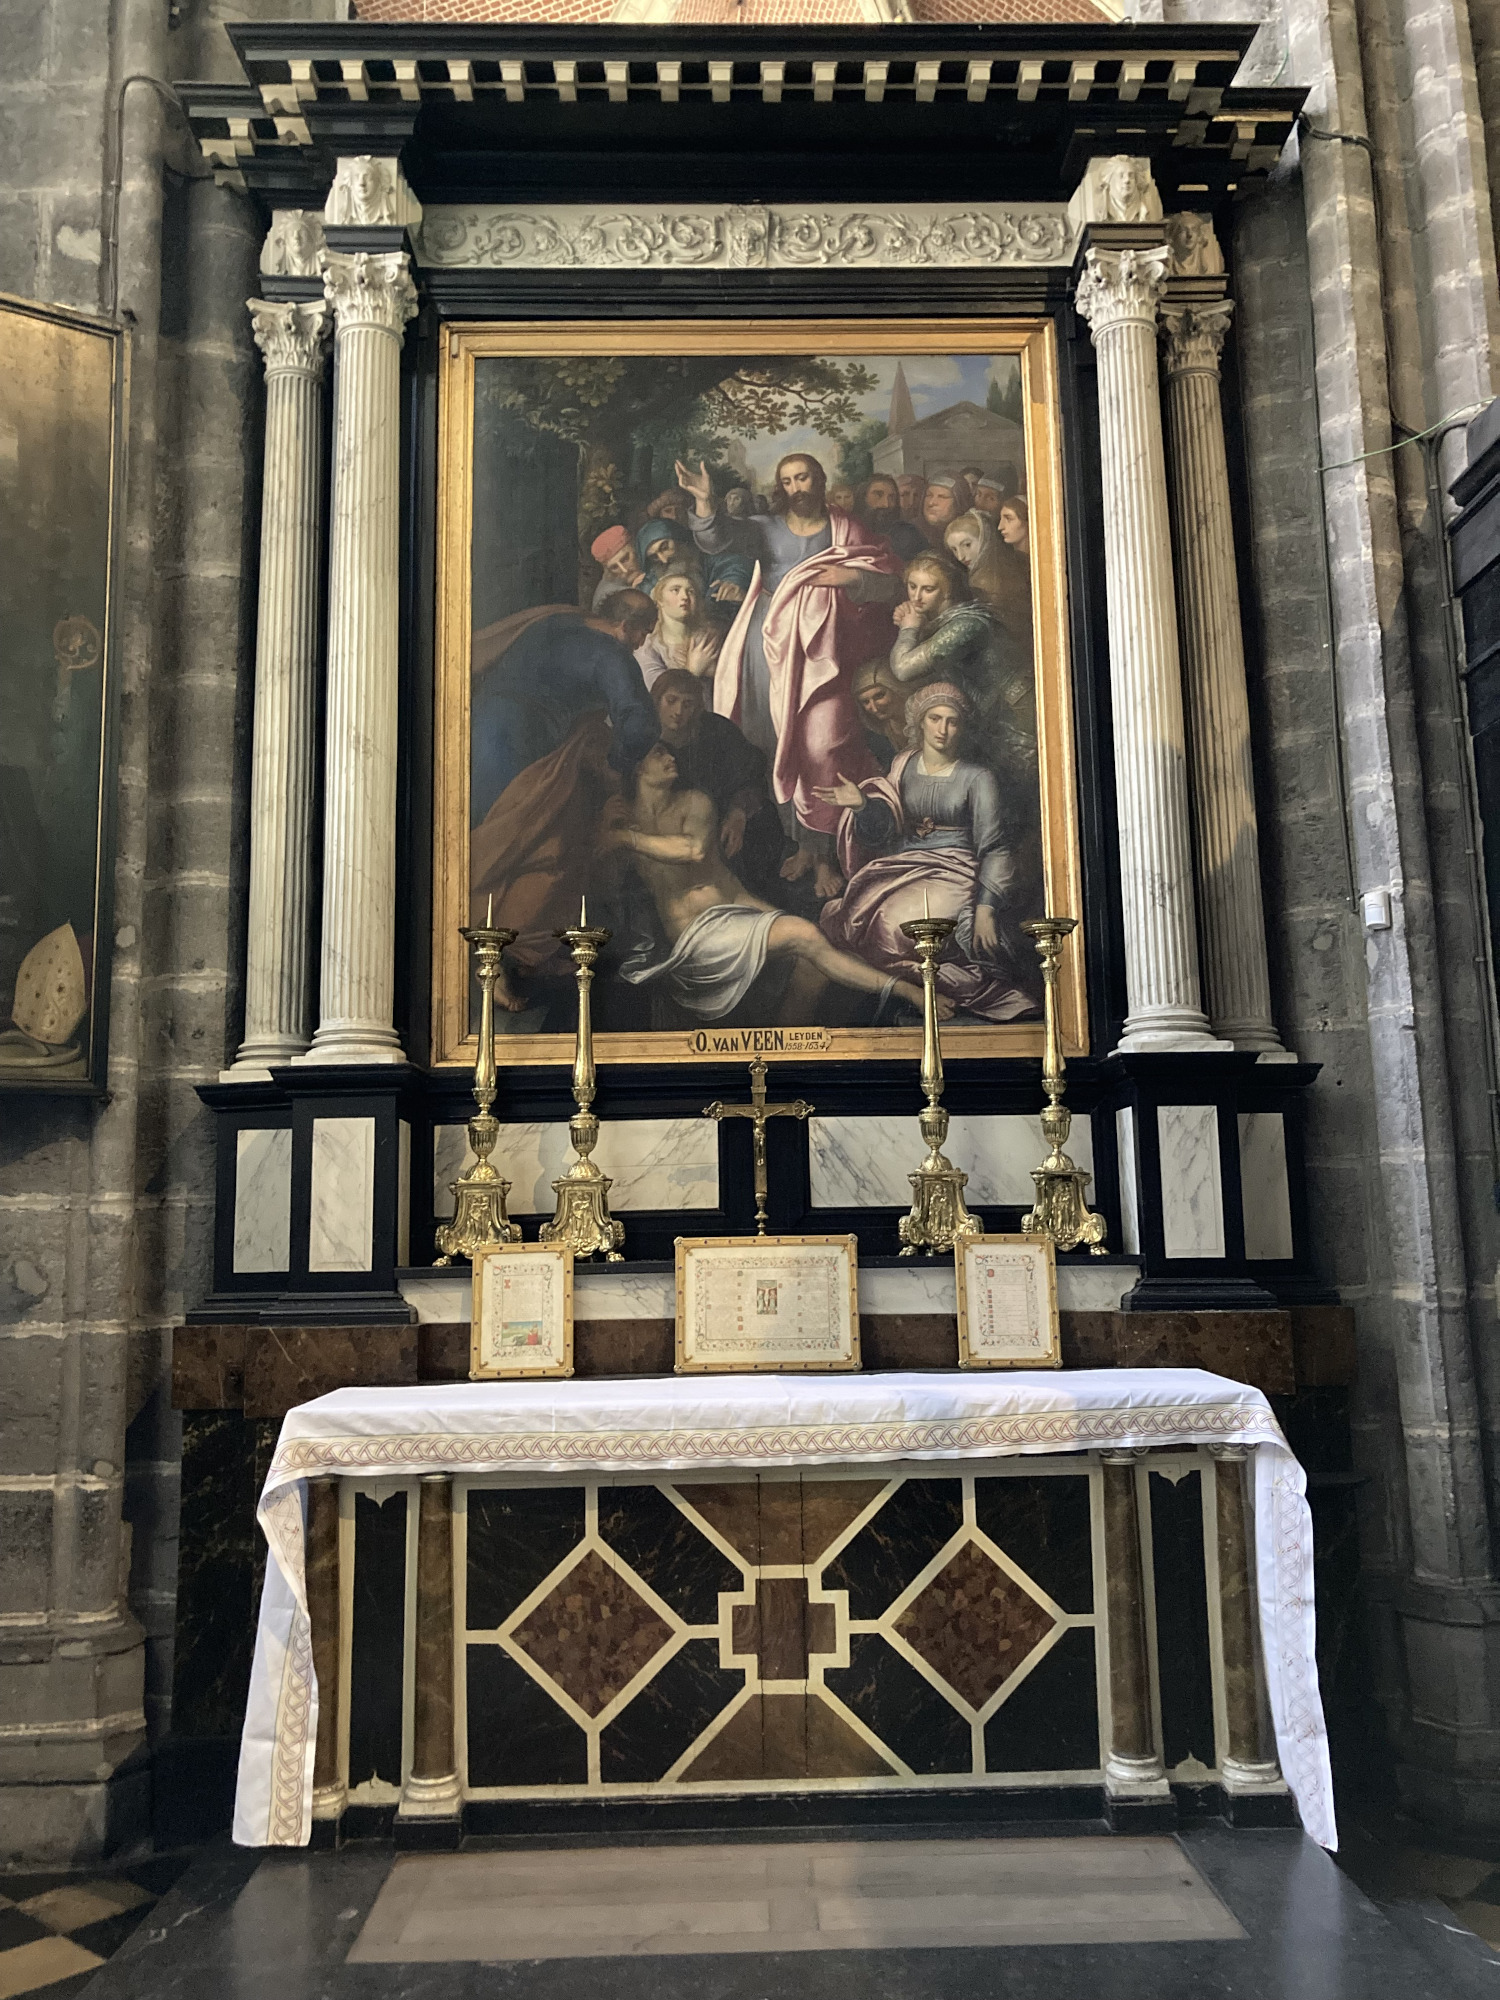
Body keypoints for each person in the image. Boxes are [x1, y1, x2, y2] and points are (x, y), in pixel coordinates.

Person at [675, 449, 902, 901]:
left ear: (819, 480)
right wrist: (703, 501)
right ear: (781, 487)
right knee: (771, 741)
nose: (797, 487)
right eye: (788, 480)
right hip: (767, 643)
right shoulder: (765, 528)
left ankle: (825, 851)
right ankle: (800, 845)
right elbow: (718, 538)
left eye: (804, 478)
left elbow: (887, 580)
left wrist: (849, 578)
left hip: (823, 651)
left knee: (820, 745)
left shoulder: (847, 528)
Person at [605, 741, 931, 1022]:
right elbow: (604, 879)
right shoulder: (622, 817)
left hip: (733, 915)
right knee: (805, 936)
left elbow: (698, 855)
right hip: (695, 938)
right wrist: (612, 834)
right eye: (658, 753)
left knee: (812, 962)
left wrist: (624, 838)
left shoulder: (694, 802)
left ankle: (788, 1049)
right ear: (638, 767)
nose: (670, 758)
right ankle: (906, 991)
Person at [469, 590, 661, 1010]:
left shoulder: (553, 621)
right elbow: (639, 724)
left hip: (480, 730)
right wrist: (618, 764)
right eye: (643, 633)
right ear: (626, 625)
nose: (640, 643)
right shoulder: (610, 652)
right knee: (529, 847)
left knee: (488, 837)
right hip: (528, 741)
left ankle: (523, 956)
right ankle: (497, 966)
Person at [814, 682, 1038, 1022]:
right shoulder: (904, 764)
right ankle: (914, 993)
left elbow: (994, 848)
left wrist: (986, 909)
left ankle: (947, 988)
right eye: (935, 719)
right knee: (856, 921)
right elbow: (886, 828)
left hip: (956, 870)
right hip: (903, 864)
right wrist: (862, 806)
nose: (942, 729)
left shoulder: (978, 778)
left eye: (952, 721)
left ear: (962, 727)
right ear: (920, 721)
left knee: (894, 932)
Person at [890, 552, 1035, 761]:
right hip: (991, 718)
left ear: (947, 591)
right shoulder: (945, 620)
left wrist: (908, 629)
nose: (916, 597)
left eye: (928, 589)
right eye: (912, 586)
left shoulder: (966, 625)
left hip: (1016, 717)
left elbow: (903, 669)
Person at [651, 667, 783, 896]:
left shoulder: (715, 729)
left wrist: (739, 812)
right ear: (656, 700)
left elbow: (751, 770)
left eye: (688, 704)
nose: (678, 711)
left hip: (728, 820)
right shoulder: (644, 740)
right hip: (677, 830)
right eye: (671, 701)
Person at [634, 569, 721, 690]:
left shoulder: (709, 637)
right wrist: (693, 671)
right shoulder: (648, 647)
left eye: (690, 591)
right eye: (675, 590)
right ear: (660, 600)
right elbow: (658, 693)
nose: (685, 597)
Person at [852, 656, 909, 771]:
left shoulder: (930, 720)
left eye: (879, 696)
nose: (874, 708)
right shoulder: (876, 739)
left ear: (896, 689)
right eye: (866, 702)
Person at [857, 474, 927, 563]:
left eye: (891, 497)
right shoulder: (847, 530)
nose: (886, 504)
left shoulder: (909, 534)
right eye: (878, 495)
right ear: (864, 497)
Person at [590, 524, 645, 612]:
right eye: (614, 567)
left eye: (625, 559)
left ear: (635, 549)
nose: (625, 570)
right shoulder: (609, 595)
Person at [637, 518, 700, 587]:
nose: (664, 560)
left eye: (665, 547)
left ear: (677, 537)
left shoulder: (705, 562)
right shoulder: (649, 585)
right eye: (654, 557)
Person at [921, 474, 972, 546]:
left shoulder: (971, 533)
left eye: (942, 497)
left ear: (959, 502)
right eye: (929, 495)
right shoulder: (913, 531)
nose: (931, 503)